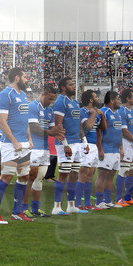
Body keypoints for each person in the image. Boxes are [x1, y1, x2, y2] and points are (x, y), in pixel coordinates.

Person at [0, 67, 33, 224]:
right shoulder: (5, 94)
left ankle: (17, 212)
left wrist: (29, 139)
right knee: (6, 176)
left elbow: (25, 120)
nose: (26, 79)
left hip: (24, 144)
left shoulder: (23, 95)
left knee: (24, 176)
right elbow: (1, 121)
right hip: (10, 144)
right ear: (16, 78)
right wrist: (14, 141)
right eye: (24, 76)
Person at [51, 77, 89, 215]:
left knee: (74, 175)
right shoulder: (60, 102)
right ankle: (56, 207)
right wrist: (65, 144)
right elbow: (58, 125)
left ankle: (71, 205)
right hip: (65, 144)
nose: (74, 86)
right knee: (63, 175)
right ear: (63, 87)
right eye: (71, 85)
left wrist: (84, 141)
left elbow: (78, 123)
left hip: (77, 144)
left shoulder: (75, 103)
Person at [25, 85, 62, 218]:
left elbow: (53, 129)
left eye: (53, 99)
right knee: (30, 178)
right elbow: (33, 127)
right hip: (34, 148)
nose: (50, 101)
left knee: (39, 179)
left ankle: (35, 209)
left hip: (45, 149)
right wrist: (51, 132)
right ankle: (23, 208)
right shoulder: (33, 106)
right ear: (43, 94)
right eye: (49, 99)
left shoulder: (50, 110)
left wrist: (61, 137)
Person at [95, 90, 123, 209]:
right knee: (102, 175)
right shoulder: (103, 112)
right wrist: (100, 149)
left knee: (111, 175)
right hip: (106, 149)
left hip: (115, 150)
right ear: (112, 100)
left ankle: (107, 200)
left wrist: (121, 148)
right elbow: (98, 131)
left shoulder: (117, 114)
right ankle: (99, 201)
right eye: (117, 99)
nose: (119, 101)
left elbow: (119, 132)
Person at [78, 90, 103, 210]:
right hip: (85, 145)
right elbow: (88, 126)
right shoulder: (82, 111)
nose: (98, 98)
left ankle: (87, 204)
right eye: (96, 97)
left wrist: (101, 115)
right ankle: (78, 203)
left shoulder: (97, 112)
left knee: (90, 175)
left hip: (94, 146)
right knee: (83, 173)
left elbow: (101, 129)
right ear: (91, 100)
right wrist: (93, 114)